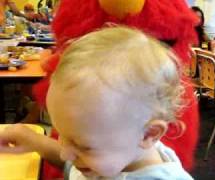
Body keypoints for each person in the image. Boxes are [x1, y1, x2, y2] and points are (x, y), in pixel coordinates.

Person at [0, 27, 193, 180]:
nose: (65, 154)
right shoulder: (118, 156)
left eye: (83, 146)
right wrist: (33, 140)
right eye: (64, 136)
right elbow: (75, 167)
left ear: (149, 134)